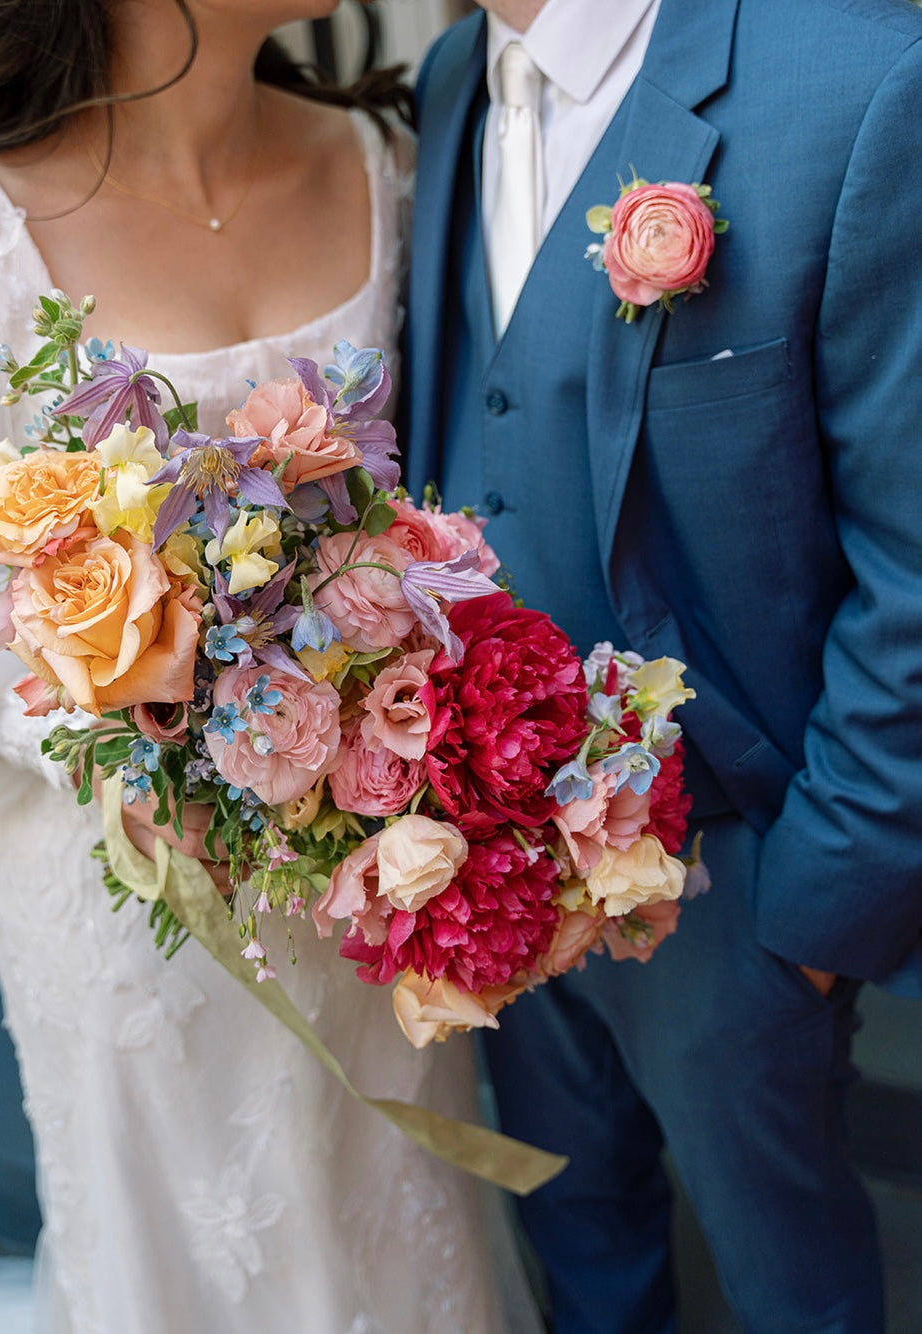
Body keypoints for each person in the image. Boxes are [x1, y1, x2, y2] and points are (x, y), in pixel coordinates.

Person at [0, 3, 544, 1331]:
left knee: (394, 1226)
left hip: (361, 867)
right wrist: (106, 718)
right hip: (118, 888)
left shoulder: (379, 161)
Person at [404, 0, 922, 1330]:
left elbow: (914, 567)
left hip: (732, 885)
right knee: (581, 1243)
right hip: (482, 869)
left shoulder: (866, 77)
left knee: (793, 1283)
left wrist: (809, 919)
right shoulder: (456, 74)